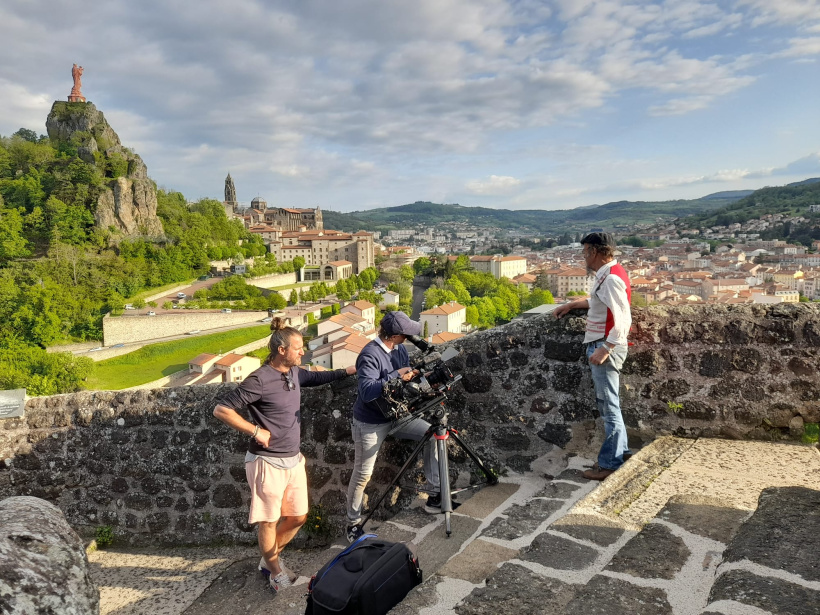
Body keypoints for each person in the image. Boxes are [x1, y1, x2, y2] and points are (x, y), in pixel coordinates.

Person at [213, 318, 355, 594]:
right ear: (281, 350)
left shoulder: (293, 373)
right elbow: (222, 409)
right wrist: (255, 430)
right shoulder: (260, 379)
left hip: (293, 459)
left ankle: (268, 560)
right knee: (268, 520)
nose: (302, 352)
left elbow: (317, 377)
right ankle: (275, 571)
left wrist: (349, 370)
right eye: (298, 348)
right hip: (267, 462)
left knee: (298, 516)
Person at [345, 310, 440, 543]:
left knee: (432, 434)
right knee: (362, 474)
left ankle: (436, 494)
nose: (409, 338)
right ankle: (353, 523)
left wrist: (414, 375)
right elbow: (367, 391)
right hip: (370, 423)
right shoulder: (370, 354)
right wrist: (395, 375)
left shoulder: (398, 350)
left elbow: (402, 381)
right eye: (406, 334)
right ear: (396, 335)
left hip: (396, 416)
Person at [553, 232, 632, 481]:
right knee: (609, 404)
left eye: (585, 251)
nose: (583, 256)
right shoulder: (610, 273)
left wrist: (605, 348)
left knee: (608, 406)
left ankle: (610, 464)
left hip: (604, 345)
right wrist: (573, 305)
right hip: (602, 343)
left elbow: (623, 319)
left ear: (594, 251)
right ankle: (620, 453)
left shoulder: (610, 279)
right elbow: (598, 302)